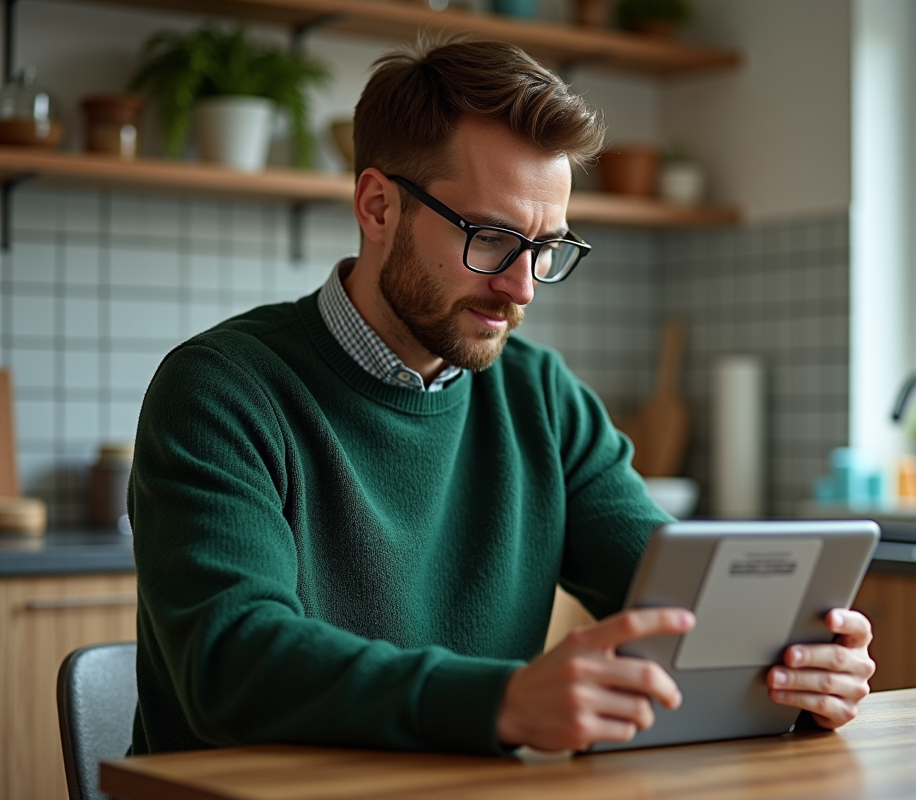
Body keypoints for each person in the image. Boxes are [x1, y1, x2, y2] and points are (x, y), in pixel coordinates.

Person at [128, 35, 875, 757]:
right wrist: (503, 703)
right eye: (489, 237)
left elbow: (676, 600)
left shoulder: (542, 397)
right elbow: (231, 663)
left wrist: (796, 672)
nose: (521, 287)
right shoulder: (222, 389)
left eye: (546, 248)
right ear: (378, 206)